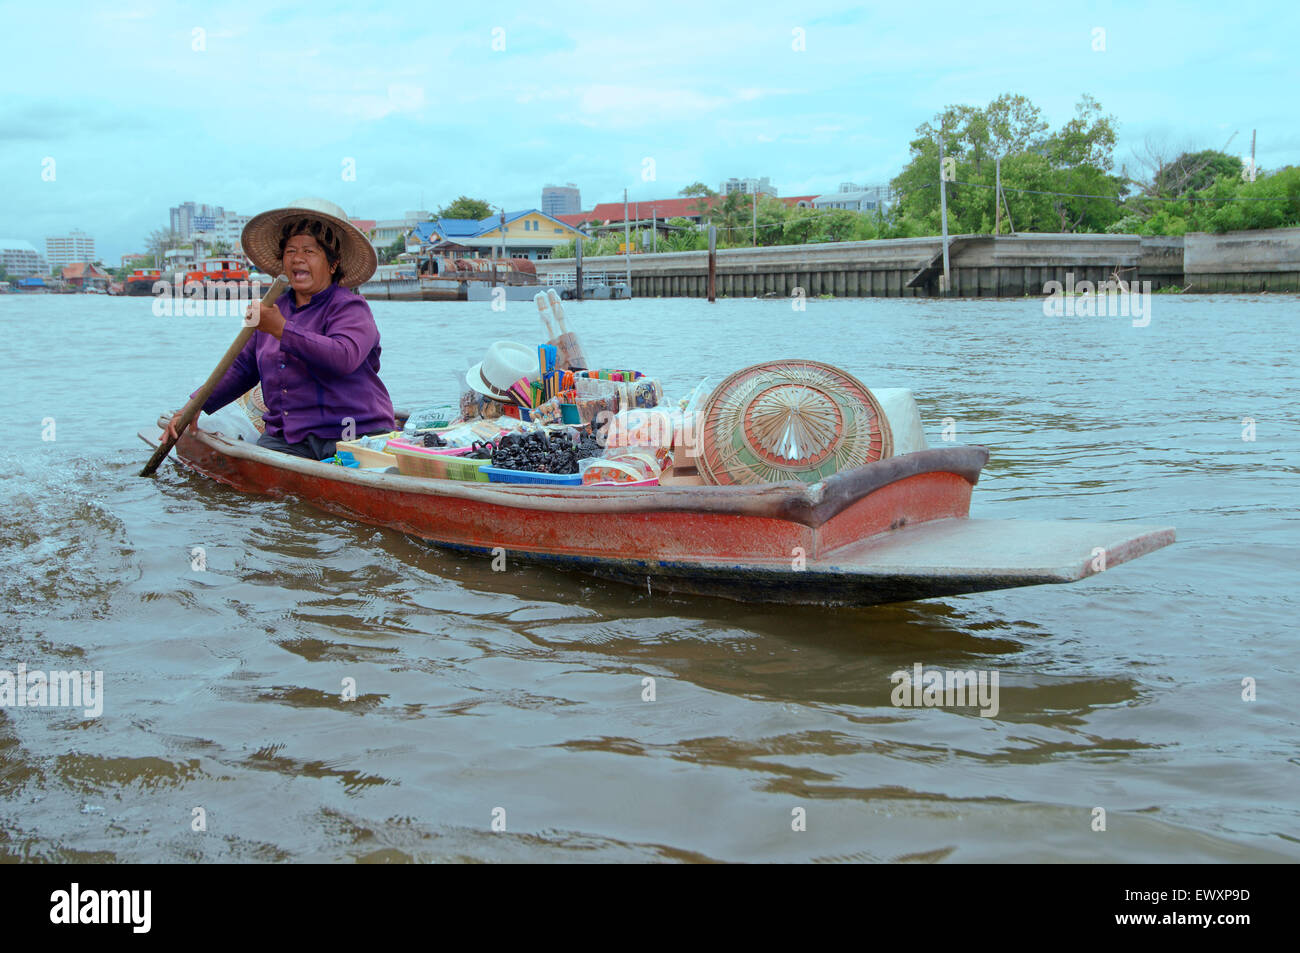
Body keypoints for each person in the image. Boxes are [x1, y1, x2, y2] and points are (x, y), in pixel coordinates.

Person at [165, 198, 395, 459]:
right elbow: (242, 367)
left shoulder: (350, 307)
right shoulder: (274, 308)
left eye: (309, 251)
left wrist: (282, 330)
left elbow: (343, 357)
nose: (298, 259)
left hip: (353, 434)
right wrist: (196, 405)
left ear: (332, 264)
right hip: (288, 438)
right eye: (290, 251)